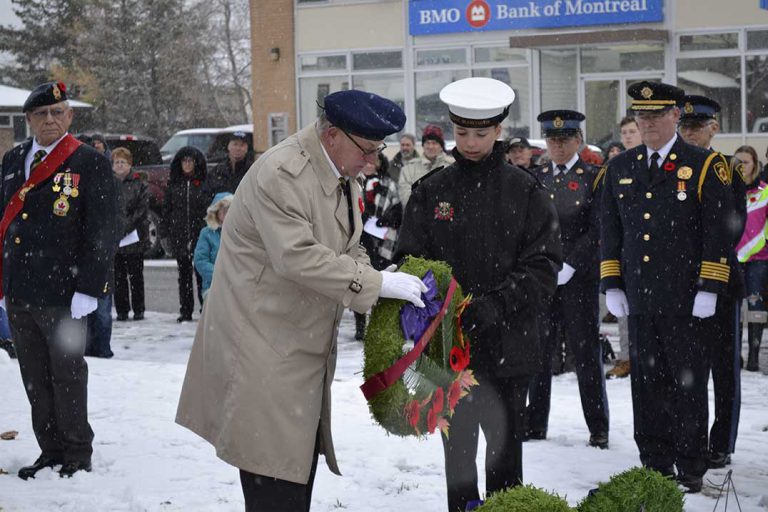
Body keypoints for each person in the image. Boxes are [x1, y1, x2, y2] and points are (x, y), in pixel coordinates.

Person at [176, 89, 427, 511]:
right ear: (332, 136)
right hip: (260, 349)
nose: (372, 162)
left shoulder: (340, 169)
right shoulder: (283, 173)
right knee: (274, 482)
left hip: (294, 348)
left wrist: (376, 276)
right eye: (367, 150)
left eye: (376, 150)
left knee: (294, 474)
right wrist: (374, 286)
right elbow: (297, 257)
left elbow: (349, 245)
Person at [395, 77, 562, 512]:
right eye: (462, 133)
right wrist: (441, 308)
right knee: (458, 459)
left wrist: (495, 306)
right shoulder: (432, 192)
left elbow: (543, 267)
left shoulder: (524, 191)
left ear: (499, 132)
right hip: (450, 351)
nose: (470, 142)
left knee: (505, 460)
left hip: (509, 347)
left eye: (481, 134)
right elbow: (409, 263)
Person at [600, 81, 740, 493]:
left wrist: (710, 286)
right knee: (647, 384)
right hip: (641, 296)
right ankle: (654, 462)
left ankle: (691, 464)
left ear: (676, 116)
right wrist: (612, 282)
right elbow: (612, 230)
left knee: (687, 383)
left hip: (686, 297)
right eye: (640, 116)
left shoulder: (702, 164)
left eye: (656, 115)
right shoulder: (621, 167)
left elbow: (718, 231)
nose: (647, 124)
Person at [0, 81, 119, 479]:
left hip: (65, 293)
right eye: (41, 114)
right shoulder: (15, 158)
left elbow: (102, 230)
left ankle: (75, 452)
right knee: (34, 374)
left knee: (66, 373)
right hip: (19, 291)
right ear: (29, 120)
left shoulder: (89, 162)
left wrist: (90, 288)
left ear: (69, 116)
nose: (49, 120)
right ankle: (48, 449)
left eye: (58, 112)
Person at [526, 110, 609, 449]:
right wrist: (543, 265)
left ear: (578, 141)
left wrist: (572, 264)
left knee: (586, 355)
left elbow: (598, 226)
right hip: (544, 280)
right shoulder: (535, 176)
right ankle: (535, 424)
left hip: (579, 280)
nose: (558, 146)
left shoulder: (593, 177)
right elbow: (528, 228)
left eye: (565, 140)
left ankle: (598, 426)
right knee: (539, 354)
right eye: (552, 140)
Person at [678, 94, 746, 469]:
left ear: (713, 129)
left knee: (722, 367)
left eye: (697, 127)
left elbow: (730, 228)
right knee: (688, 368)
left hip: (719, 282)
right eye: (685, 127)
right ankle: (690, 439)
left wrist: (705, 270)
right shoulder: (673, 167)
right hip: (679, 285)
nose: (690, 134)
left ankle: (722, 442)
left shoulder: (725, 167)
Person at [605, 116, 644, 381]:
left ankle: (643, 358)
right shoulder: (617, 167)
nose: (628, 136)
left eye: (632, 131)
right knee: (622, 311)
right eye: (624, 132)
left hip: (651, 254)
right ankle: (626, 357)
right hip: (625, 253)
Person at [163, 146, 210, 322]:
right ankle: (185, 310)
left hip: (200, 235)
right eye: (185, 161)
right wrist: (165, 233)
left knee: (201, 274)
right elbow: (167, 210)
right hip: (180, 233)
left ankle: (205, 307)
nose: (188, 164)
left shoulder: (204, 183)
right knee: (183, 275)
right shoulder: (175, 184)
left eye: (191, 161)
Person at [734, 145, 766, 372]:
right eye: (739, 161)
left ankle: (753, 355)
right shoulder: (727, 189)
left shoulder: (765, 191)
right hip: (733, 257)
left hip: (758, 258)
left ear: (755, 164)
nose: (742, 166)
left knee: (756, 307)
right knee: (734, 308)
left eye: (746, 161)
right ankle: (735, 354)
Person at [111, 147, 149, 322]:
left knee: (136, 276)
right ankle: (122, 310)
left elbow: (141, 209)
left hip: (134, 236)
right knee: (118, 278)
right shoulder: (108, 183)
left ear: (129, 164)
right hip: (115, 238)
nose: (119, 165)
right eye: (117, 162)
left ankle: (139, 309)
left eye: (123, 162)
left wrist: (126, 226)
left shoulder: (139, 183)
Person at [398, 124, 453, 207]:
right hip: (416, 217)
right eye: (427, 143)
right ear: (423, 146)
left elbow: (455, 195)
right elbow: (406, 198)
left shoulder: (451, 166)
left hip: (445, 216)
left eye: (434, 143)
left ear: (441, 146)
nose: (430, 146)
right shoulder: (409, 169)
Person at [193, 192, 232, 301]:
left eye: (230, 210)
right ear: (216, 212)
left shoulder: (239, 233)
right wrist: (220, 275)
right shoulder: (206, 233)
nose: (227, 214)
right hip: (213, 286)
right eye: (224, 211)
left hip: (237, 287)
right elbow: (200, 260)